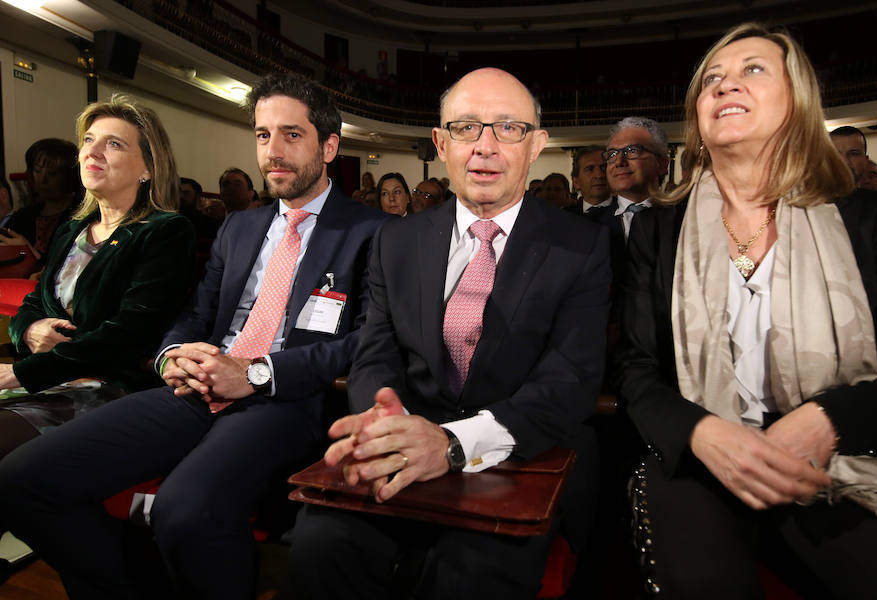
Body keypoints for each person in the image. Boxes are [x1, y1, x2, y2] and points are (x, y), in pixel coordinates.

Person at [0, 73, 389, 600]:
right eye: (261, 134)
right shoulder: (240, 227)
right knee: (22, 481)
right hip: (194, 387)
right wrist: (170, 356)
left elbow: (369, 337)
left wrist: (255, 373)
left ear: (329, 146)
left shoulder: (373, 231)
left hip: (283, 399)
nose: (272, 151)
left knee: (186, 512)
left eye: (291, 135)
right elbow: (194, 313)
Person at [290, 67, 611, 599]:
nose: (485, 146)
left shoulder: (582, 246)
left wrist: (451, 444)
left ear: (536, 145)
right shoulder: (396, 240)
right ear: (441, 144)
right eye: (465, 128)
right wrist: (385, 420)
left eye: (508, 128)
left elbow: (571, 380)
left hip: (520, 456)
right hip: (405, 447)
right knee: (320, 550)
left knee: (467, 580)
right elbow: (375, 354)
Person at [616, 23, 877, 598]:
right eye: (711, 80)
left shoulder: (866, 220)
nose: (725, 87)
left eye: (752, 70)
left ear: (796, 99)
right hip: (699, 458)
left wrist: (831, 419)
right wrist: (703, 434)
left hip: (838, 459)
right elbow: (635, 371)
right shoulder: (657, 228)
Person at [0, 95, 196, 459]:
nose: (93, 151)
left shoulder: (166, 231)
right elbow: (32, 302)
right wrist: (27, 330)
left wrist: (24, 373)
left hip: (106, 387)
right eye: (88, 140)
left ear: (147, 168)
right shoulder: (72, 229)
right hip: (50, 377)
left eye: (114, 144)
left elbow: (128, 333)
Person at [1, 138, 82, 272]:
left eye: (52, 173)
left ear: (69, 176)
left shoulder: (80, 219)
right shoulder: (22, 216)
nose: (43, 180)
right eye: (37, 171)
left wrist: (29, 252)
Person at [569, 145, 609, 215]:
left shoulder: (628, 213)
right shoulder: (565, 216)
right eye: (590, 169)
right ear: (576, 182)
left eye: (604, 168)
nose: (599, 175)